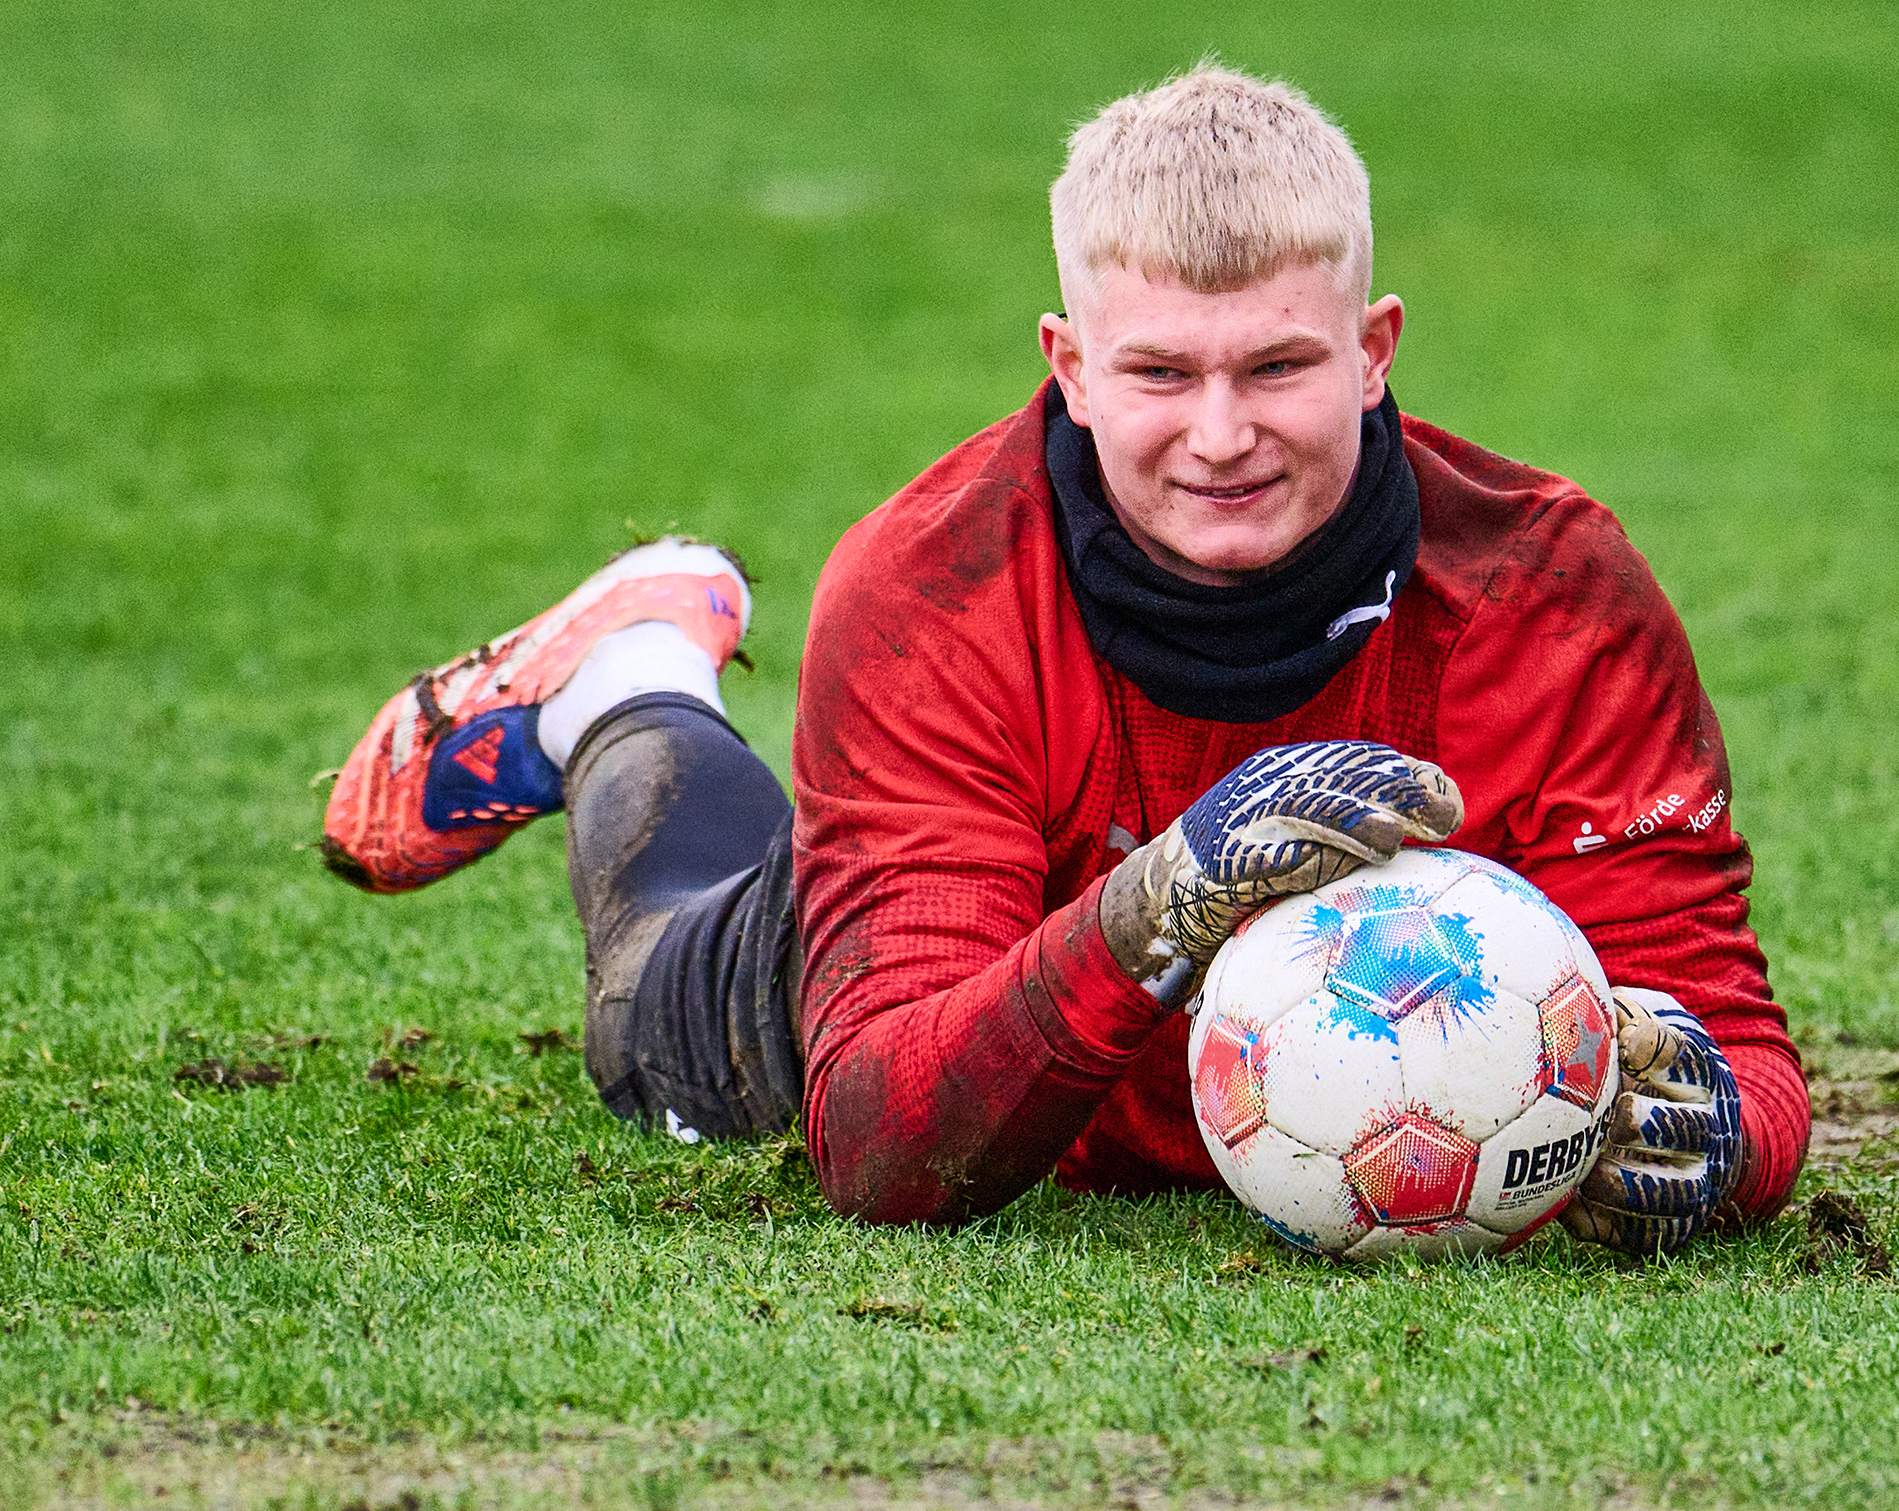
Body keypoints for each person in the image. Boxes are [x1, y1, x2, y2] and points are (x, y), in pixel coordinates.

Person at [320, 64, 1809, 1256]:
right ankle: (627, 678)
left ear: (1373, 351)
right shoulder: (930, 591)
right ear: (1071, 365)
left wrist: (1717, 1141)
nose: (1222, 436)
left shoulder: (1555, 594)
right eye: (1160, 371)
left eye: (1279, 366)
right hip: (895, 977)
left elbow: (1732, 1041)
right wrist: (1160, 904)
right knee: (655, 1010)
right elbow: (880, 1149)